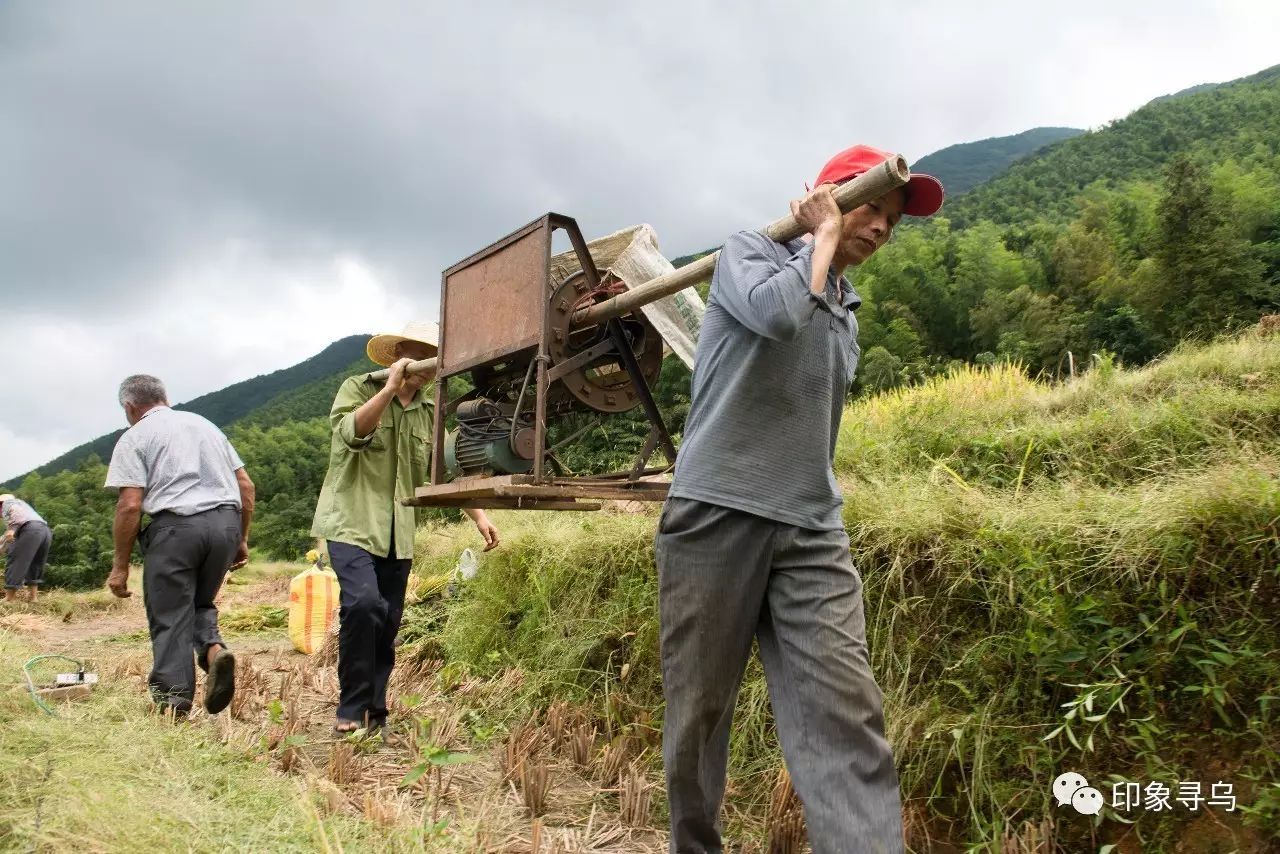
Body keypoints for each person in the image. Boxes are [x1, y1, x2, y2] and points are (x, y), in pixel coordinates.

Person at [655, 144, 944, 853]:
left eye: (892, 220)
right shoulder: (747, 253)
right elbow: (778, 317)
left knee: (845, 713)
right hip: (715, 515)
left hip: (812, 528)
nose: (880, 227)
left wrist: (825, 250)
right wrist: (817, 240)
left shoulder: (847, 308)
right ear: (827, 198)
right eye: (870, 206)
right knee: (698, 715)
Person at [312, 321, 500, 734]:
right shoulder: (358, 388)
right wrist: (387, 390)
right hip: (351, 520)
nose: (428, 365)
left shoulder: (433, 412)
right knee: (362, 605)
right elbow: (352, 433)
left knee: (388, 619)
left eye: (436, 356)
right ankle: (350, 707)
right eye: (421, 352)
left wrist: (480, 516)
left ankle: (374, 712)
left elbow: (444, 475)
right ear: (398, 351)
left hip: (399, 531)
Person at [104, 374, 255, 717]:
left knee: (170, 614)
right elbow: (245, 486)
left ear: (129, 407)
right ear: (164, 397)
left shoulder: (135, 436)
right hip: (224, 524)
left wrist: (120, 566)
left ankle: (173, 704)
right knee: (200, 602)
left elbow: (129, 505)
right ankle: (214, 651)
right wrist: (241, 538)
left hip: (176, 530)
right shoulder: (205, 425)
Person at [1, 494, 53, 603]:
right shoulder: (25, 508)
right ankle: (33, 598)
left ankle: (9, 599)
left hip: (30, 530)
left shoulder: (8, 504)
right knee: (36, 564)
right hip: (45, 531)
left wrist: (12, 528)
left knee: (16, 561)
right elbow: (6, 539)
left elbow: (13, 524)